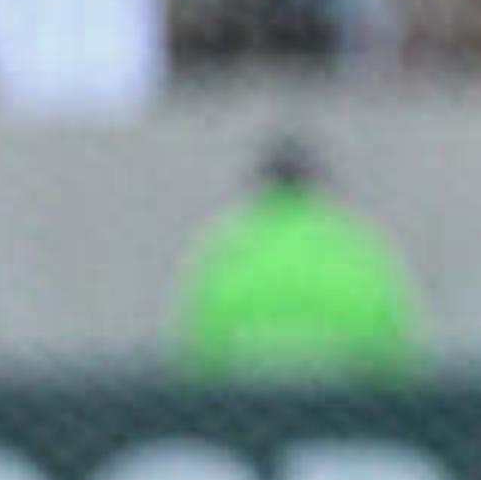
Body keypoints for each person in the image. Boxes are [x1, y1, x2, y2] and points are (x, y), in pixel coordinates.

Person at [172, 138, 426, 380]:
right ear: (319, 184)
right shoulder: (356, 249)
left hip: (248, 413)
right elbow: (396, 355)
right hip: (345, 415)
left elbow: (196, 357)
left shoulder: (227, 253)